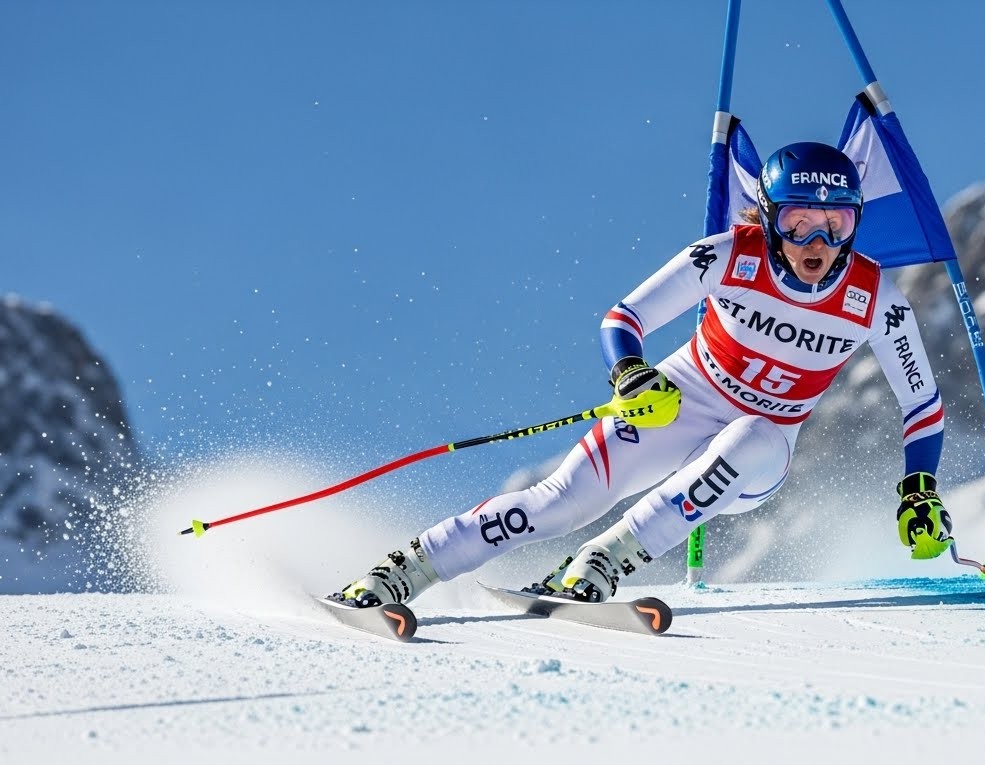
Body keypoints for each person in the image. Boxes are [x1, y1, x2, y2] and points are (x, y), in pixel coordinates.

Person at [333, 141, 952, 607]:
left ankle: (605, 561)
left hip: (764, 448)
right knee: (560, 503)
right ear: (768, 218)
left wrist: (919, 487)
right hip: (681, 399)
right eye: (798, 221)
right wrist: (631, 373)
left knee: (751, 434)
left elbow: (921, 402)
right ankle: (406, 569)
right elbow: (623, 318)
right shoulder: (726, 255)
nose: (817, 240)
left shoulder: (876, 297)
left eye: (837, 223)